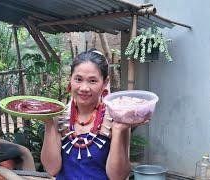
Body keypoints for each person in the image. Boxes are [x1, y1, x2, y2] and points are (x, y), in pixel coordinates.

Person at [41, 49, 149, 180]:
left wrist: (118, 130)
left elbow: (118, 177)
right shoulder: (60, 116)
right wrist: (48, 122)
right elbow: (52, 169)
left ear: (105, 82)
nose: (84, 88)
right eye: (78, 79)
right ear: (70, 79)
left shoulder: (116, 118)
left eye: (92, 81)